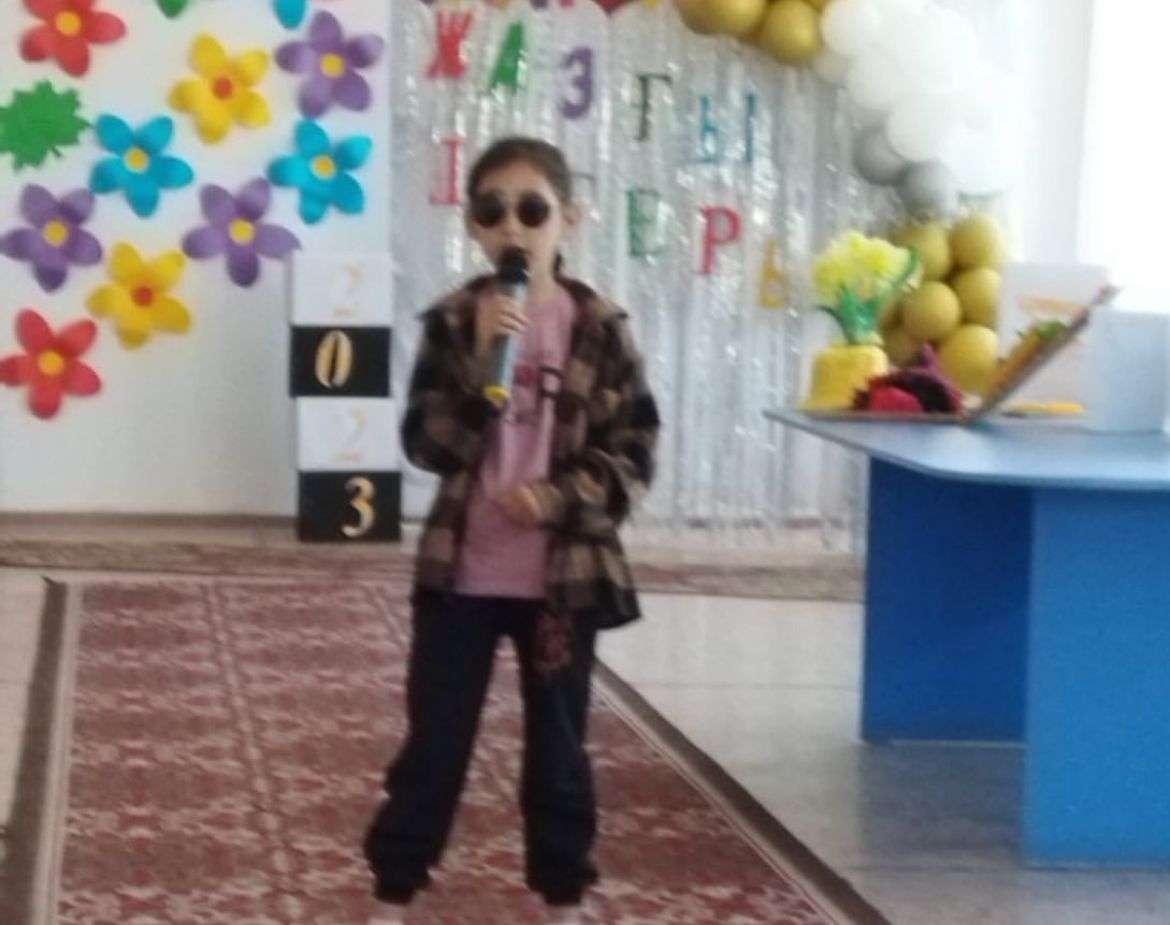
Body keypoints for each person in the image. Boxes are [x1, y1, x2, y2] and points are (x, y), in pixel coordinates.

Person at [362, 137, 661, 925]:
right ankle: (396, 887)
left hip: (561, 583)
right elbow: (426, 443)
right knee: (436, 742)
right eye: (493, 212)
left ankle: (561, 892)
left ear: (569, 219)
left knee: (558, 750)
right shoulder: (455, 320)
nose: (513, 229)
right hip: (460, 575)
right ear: (473, 224)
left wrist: (560, 496)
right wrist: (477, 366)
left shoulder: (600, 328)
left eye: (533, 210)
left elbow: (635, 451)